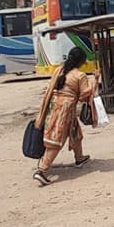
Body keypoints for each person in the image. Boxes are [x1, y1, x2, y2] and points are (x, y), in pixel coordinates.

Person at [32, 46, 97, 186]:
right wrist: (95, 81)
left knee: (76, 133)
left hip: (53, 106)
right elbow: (85, 94)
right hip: (65, 110)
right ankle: (42, 171)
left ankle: (79, 157)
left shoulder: (59, 70)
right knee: (56, 140)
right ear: (82, 61)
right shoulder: (80, 75)